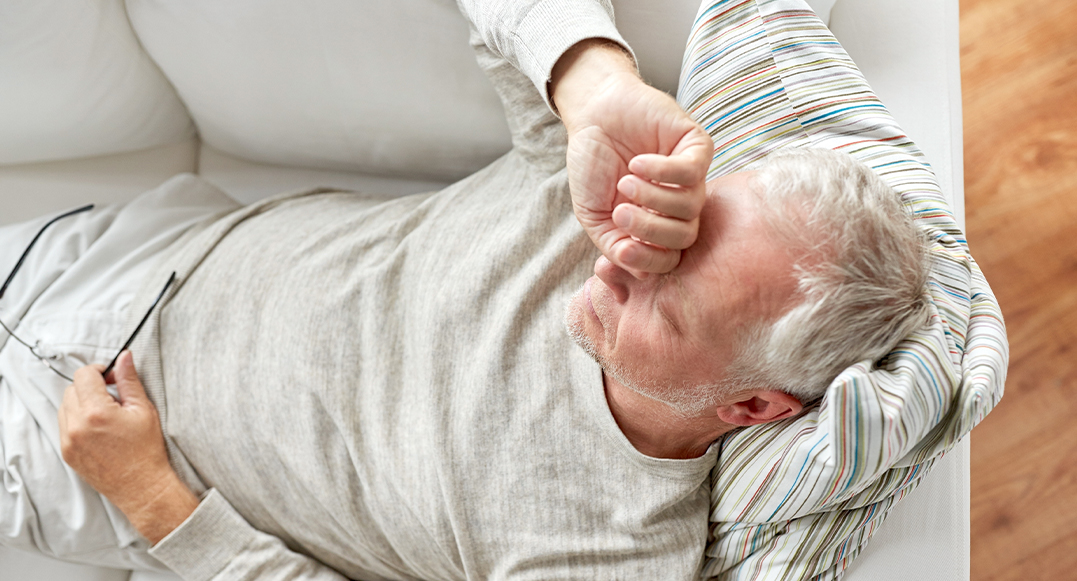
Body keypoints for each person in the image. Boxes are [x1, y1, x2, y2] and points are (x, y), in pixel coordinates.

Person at [0, 0, 998, 579]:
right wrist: (594, 84)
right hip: (144, 253)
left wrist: (159, 503)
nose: (620, 257)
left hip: (84, 455)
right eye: (677, 235)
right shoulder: (608, 202)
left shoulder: (606, 551)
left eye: (672, 302)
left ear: (751, 405)